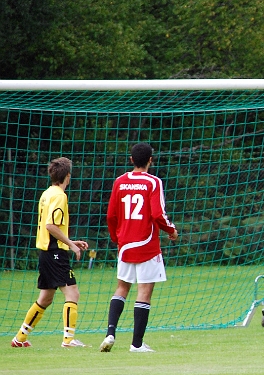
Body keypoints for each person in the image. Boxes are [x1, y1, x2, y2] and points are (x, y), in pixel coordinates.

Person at [100, 143, 178, 353]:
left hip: (125, 245)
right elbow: (157, 214)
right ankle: (136, 344)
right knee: (144, 292)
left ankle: (110, 333)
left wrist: (117, 239)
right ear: (150, 160)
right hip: (147, 245)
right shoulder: (153, 182)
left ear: (131, 160)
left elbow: (110, 216)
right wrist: (171, 230)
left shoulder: (119, 182)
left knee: (122, 288)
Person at [12, 157, 89, 348]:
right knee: (73, 293)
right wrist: (71, 244)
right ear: (68, 176)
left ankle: (19, 338)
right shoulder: (60, 196)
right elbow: (51, 225)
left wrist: (71, 240)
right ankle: (68, 340)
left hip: (45, 253)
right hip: (55, 252)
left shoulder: (47, 193)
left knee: (45, 298)